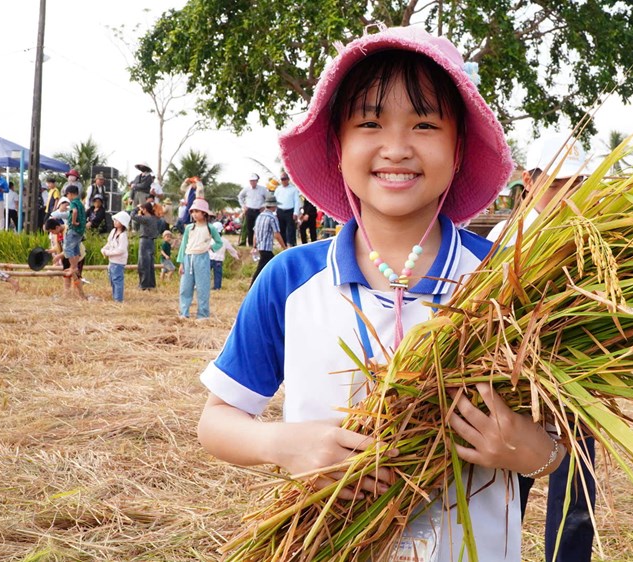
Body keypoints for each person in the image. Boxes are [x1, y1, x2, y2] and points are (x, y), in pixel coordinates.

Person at [196, 27, 554, 562]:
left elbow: (560, 442)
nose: (397, 148)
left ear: (458, 149)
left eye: (425, 124)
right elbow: (217, 420)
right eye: (370, 123)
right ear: (338, 146)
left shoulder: (509, 278)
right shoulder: (291, 279)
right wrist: (284, 443)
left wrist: (526, 451)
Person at [486, 131, 597, 562]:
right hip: (518, 387)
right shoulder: (505, 237)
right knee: (508, 489)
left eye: (576, 182)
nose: (566, 194)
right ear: (529, 181)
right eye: (556, 183)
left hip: (579, 383)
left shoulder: (595, 234)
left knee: (577, 496)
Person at [177, 198, 222, 319]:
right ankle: (184, 312)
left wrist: (210, 247)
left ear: (204, 213)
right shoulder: (189, 228)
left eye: (197, 211)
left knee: (203, 287)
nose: (194, 214)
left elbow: (219, 242)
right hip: (188, 258)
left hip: (202, 258)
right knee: (185, 287)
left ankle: (203, 314)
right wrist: (181, 262)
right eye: (192, 211)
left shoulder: (210, 228)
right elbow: (183, 245)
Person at [249, 195, 286, 286]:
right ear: (273, 206)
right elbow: (277, 234)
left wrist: (254, 246)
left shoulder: (260, 216)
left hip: (260, 246)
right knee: (264, 268)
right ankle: (254, 286)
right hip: (267, 247)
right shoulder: (272, 217)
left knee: (264, 267)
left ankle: (265, 285)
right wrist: (284, 247)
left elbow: (255, 233)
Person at [62, 184, 87, 296]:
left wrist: (73, 222)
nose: (68, 197)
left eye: (67, 195)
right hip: (80, 231)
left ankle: (73, 267)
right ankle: (75, 266)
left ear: (71, 194)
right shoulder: (81, 203)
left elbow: (74, 211)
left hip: (74, 229)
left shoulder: (73, 203)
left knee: (68, 248)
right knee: (76, 249)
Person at [100, 211, 131, 302]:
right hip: (112, 261)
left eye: (117, 220)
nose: (115, 222)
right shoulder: (113, 231)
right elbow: (109, 243)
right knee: (112, 280)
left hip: (118, 261)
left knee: (117, 280)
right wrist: (104, 249)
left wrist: (108, 253)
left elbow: (121, 250)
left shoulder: (122, 235)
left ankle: (118, 299)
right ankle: (115, 297)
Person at [132, 201, 163, 290]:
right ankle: (151, 284)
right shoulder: (154, 218)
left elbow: (133, 216)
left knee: (143, 264)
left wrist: (136, 208)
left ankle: (144, 285)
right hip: (151, 241)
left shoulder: (146, 219)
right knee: (149, 264)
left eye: (142, 209)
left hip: (144, 241)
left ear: (145, 209)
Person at [236, 173, 268, 247]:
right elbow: (240, 196)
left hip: (259, 210)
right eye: (251, 181)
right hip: (249, 210)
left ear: (257, 181)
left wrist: (264, 206)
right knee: (248, 227)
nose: (253, 182)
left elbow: (268, 198)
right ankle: (250, 243)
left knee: (258, 227)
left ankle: (257, 243)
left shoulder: (263, 189)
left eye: (254, 181)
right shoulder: (246, 189)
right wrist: (243, 206)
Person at [208, 221, 239, 290]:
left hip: (209, 258)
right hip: (219, 260)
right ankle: (217, 287)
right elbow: (231, 249)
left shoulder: (210, 240)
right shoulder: (225, 240)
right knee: (218, 274)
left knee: (206, 273)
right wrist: (236, 255)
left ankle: (204, 285)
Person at [273, 172, 300, 247]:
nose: (284, 181)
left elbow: (297, 201)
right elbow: (275, 201)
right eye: (282, 179)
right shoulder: (278, 189)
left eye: (285, 179)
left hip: (290, 211)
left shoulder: (293, 189)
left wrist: (295, 213)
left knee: (290, 229)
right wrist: (274, 212)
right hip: (280, 211)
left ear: (288, 179)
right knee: (281, 229)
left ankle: (291, 244)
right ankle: (284, 245)